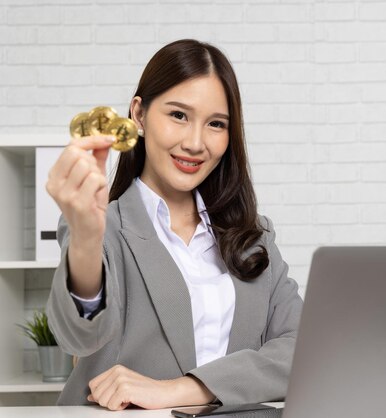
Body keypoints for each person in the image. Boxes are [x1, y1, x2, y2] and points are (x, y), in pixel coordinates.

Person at [45, 39, 303, 411]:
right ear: (139, 114)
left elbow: (301, 349)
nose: (195, 143)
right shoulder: (104, 227)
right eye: (178, 115)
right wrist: (86, 237)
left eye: (216, 124)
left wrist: (184, 389)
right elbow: (78, 336)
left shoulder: (253, 237)